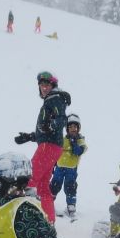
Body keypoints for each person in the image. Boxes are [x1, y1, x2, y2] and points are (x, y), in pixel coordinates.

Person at [14, 71, 71, 223]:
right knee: (43, 186)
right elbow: (45, 131)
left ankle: (22, 218)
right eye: (41, 85)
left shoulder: (55, 98)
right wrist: (29, 137)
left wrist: (51, 126)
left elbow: (62, 119)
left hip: (48, 147)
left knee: (29, 179)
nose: (44, 87)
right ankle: (48, 221)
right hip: (52, 147)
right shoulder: (52, 99)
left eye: (47, 84)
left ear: (53, 85)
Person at [49, 114, 87, 220]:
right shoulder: (62, 139)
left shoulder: (80, 140)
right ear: (67, 129)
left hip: (71, 169)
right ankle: (49, 202)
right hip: (59, 167)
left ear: (78, 128)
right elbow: (56, 152)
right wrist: (53, 164)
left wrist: (74, 142)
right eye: (70, 127)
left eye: (75, 127)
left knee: (70, 186)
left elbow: (78, 151)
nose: (73, 129)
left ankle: (71, 206)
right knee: (55, 184)